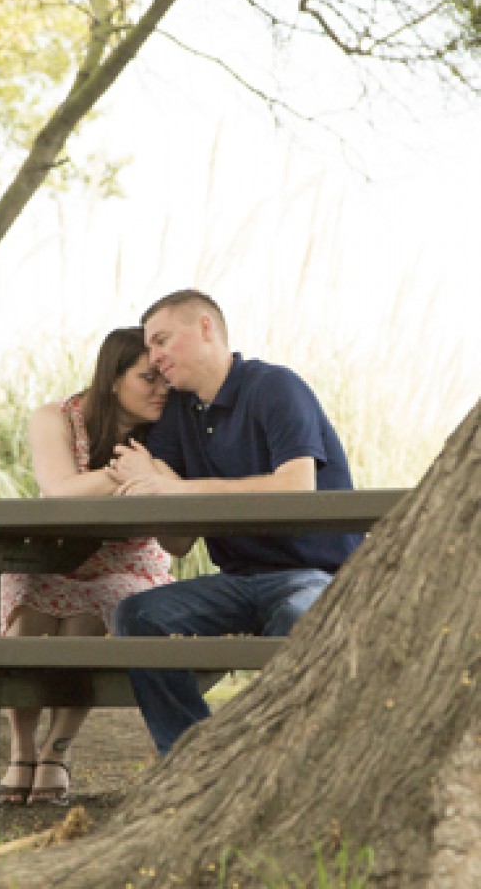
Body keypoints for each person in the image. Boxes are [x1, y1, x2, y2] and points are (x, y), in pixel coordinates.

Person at [109, 289, 362, 755]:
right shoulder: (180, 412)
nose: (157, 357)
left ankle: (301, 756)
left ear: (206, 327)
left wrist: (172, 487)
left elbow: (295, 487)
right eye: (151, 347)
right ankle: (193, 759)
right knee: (138, 615)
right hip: (238, 582)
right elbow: (179, 541)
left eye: (163, 340)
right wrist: (151, 484)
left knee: (300, 616)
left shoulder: (274, 387)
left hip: (315, 576)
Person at [0, 327, 172, 806]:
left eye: (165, 379)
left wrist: (113, 480)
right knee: (26, 624)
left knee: (84, 624)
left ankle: (56, 751)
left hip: (129, 557)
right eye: (148, 378)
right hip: (50, 553)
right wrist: (132, 474)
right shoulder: (55, 418)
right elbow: (59, 490)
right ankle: (21, 747)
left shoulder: (169, 427)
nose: (162, 389)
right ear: (112, 380)